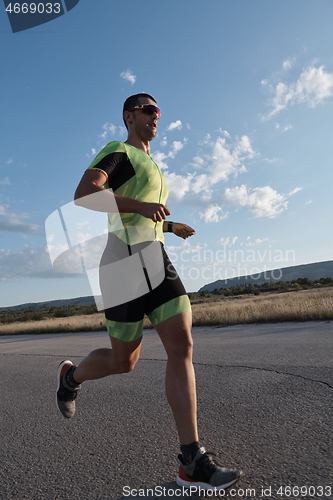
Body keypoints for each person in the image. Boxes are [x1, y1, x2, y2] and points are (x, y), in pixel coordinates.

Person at [56, 93, 242, 491]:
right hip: (122, 265)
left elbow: (145, 218)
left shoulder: (154, 166)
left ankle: (191, 461)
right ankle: (71, 377)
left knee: (183, 345)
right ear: (129, 116)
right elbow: (85, 194)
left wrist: (169, 227)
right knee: (125, 362)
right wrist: (140, 207)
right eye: (148, 109)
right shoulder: (118, 150)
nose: (156, 115)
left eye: (159, 110)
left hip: (154, 259)